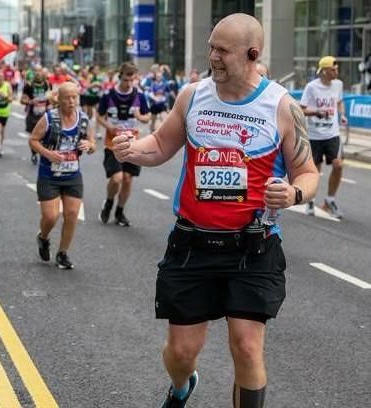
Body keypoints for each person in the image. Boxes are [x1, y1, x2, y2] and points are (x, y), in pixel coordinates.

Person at [113, 14, 318, 407]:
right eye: (211, 47)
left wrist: (292, 194)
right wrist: (132, 150)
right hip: (192, 244)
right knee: (180, 354)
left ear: (253, 54)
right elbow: (160, 145)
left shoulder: (281, 106)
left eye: (222, 50)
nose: (213, 57)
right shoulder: (193, 95)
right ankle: (181, 385)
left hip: (252, 248)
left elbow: (307, 172)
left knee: (246, 347)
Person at [29, 82, 96, 269]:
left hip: (72, 174)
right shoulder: (49, 118)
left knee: (72, 214)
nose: (72, 101)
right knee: (51, 216)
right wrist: (49, 154)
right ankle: (43, 238)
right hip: (49, 174)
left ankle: (62, 253)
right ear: (59, 99)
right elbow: (33, 140)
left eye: (75, 97)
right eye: (68, 97)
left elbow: (92, 144)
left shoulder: (83, 119)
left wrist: (89, 146)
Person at [96, 62, 150, 227]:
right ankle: (109, 202)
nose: (129, 83)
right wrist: (108, 127)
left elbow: (147, 117)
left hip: (132, 144)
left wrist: (140, 117)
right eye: (126, 79)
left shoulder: (139, 96)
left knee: (127, 179)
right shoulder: (109, 95)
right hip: (112, 144)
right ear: (120, 77)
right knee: (117, 178)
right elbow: (98, 116)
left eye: (132, 80)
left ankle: (120, 211)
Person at [300, 56, 348, 218]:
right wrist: (316, 112)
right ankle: (311, 200)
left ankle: (329, 201)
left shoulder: (338, 85)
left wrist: (342, 114)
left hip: (332, 134)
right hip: (315, 136)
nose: (336, 72)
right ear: (324, 70)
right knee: (315, 170)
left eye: (337, 69)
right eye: (334, 69)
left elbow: (339, 101)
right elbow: (301, 109)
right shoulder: (311, 87)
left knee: (338, 165)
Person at [22, 71, 52, 164]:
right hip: (32, 114)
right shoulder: (29, 86)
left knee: (45, 135)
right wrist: (30, 102)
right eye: (37, 72)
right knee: (33, 136)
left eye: (40, 72)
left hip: (44, 114)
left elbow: (51, 97)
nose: (38, 74)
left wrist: (51, 101)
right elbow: (22, 100)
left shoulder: (47, 84)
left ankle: (44, 152)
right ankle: (34, 153)